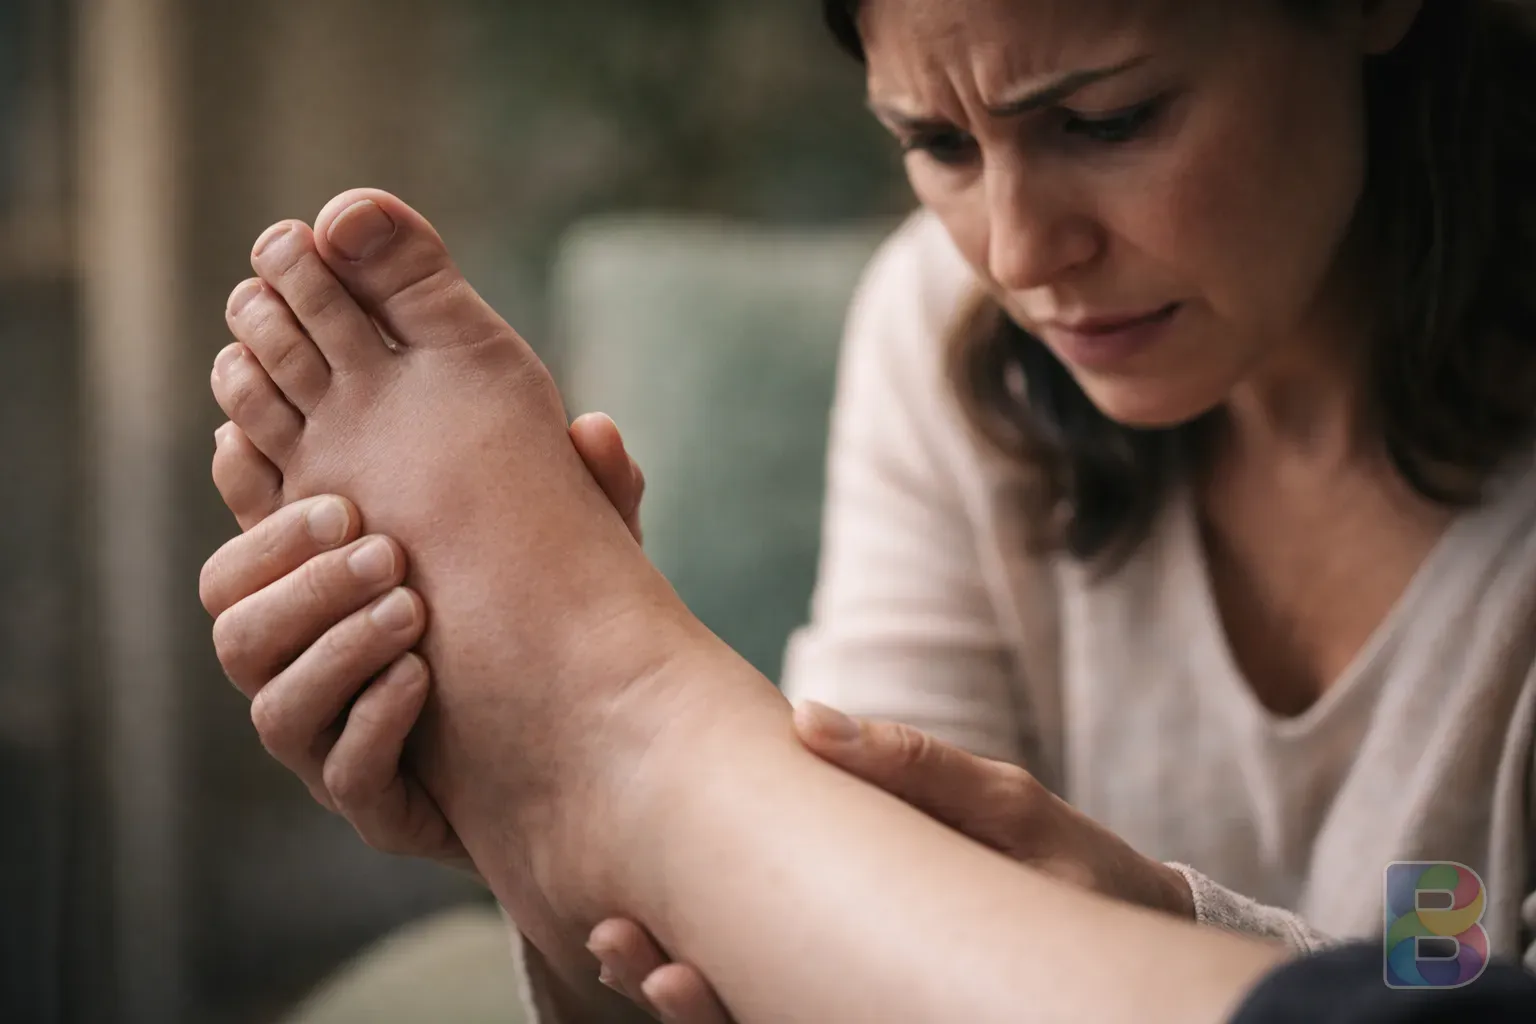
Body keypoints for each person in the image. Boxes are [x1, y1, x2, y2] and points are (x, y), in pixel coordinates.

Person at [200, 0, 1536, 1018]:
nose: (1019, 256)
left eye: (1107, 120)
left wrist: (1175, 919)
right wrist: (561, 877)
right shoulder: (947, 322)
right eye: (940, 145)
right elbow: (847, 938)